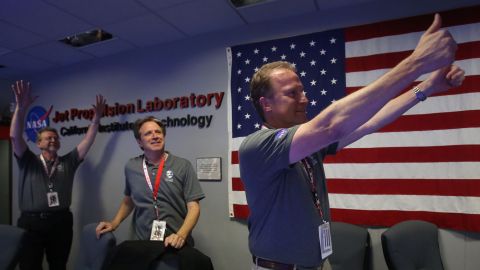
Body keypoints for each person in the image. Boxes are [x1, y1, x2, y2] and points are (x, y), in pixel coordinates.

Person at [239, 14, 465, 270]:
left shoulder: (305, 146)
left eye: (302, 91)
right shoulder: (258, 146)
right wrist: (415, 63)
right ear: (266, 104)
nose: (305, 99)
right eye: (292, 93)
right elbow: (331, 125)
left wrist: (426, 88)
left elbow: (370, 122)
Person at [10, 80, 106, 270]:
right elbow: (14, 136)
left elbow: (88, 140)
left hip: (60, 222)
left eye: (55, 137)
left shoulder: (68, 162)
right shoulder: (28, 160)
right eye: (48, 138)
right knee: (29, 266)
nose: (53, 140)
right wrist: (21, 109)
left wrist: (95, 119)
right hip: (31, 223)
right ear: (38, 143)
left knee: (59, 265)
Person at [95, 116, 205, 250]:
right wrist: (114, 223)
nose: (155, 136)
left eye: (158, 132)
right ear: (139, 142)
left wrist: (180, 235)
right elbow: (129, 200)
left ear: (163, 136)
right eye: (148, 133)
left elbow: (194, 207)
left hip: (176, 241)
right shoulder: (132, 166)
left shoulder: (182, 165)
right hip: (142, 241)